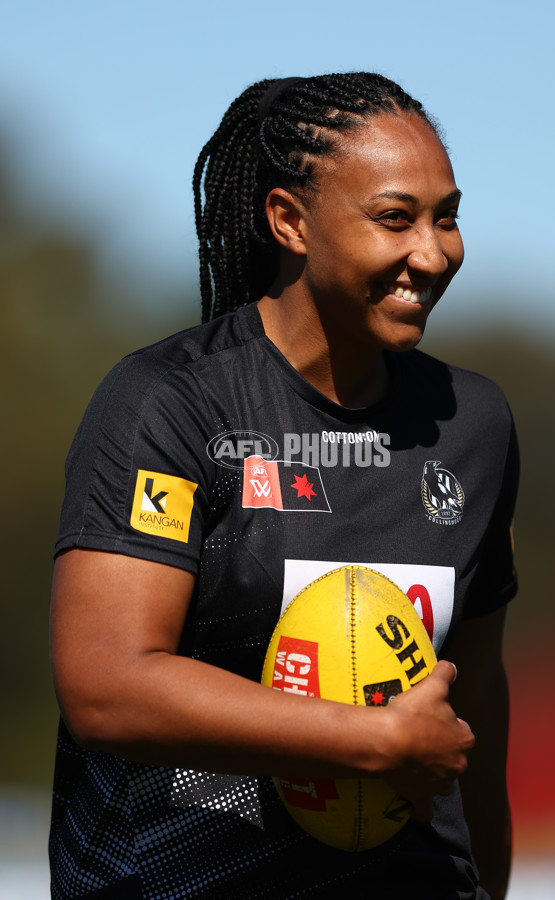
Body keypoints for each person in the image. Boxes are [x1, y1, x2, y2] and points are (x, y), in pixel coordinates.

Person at [49, 73, 518, 899]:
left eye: (447, 217)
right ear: (289, 221)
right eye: (395, 218)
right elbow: (107, 686)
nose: (433, 252)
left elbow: (474, 694)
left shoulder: (473, 422)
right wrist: (368, 741)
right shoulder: (173, 402)